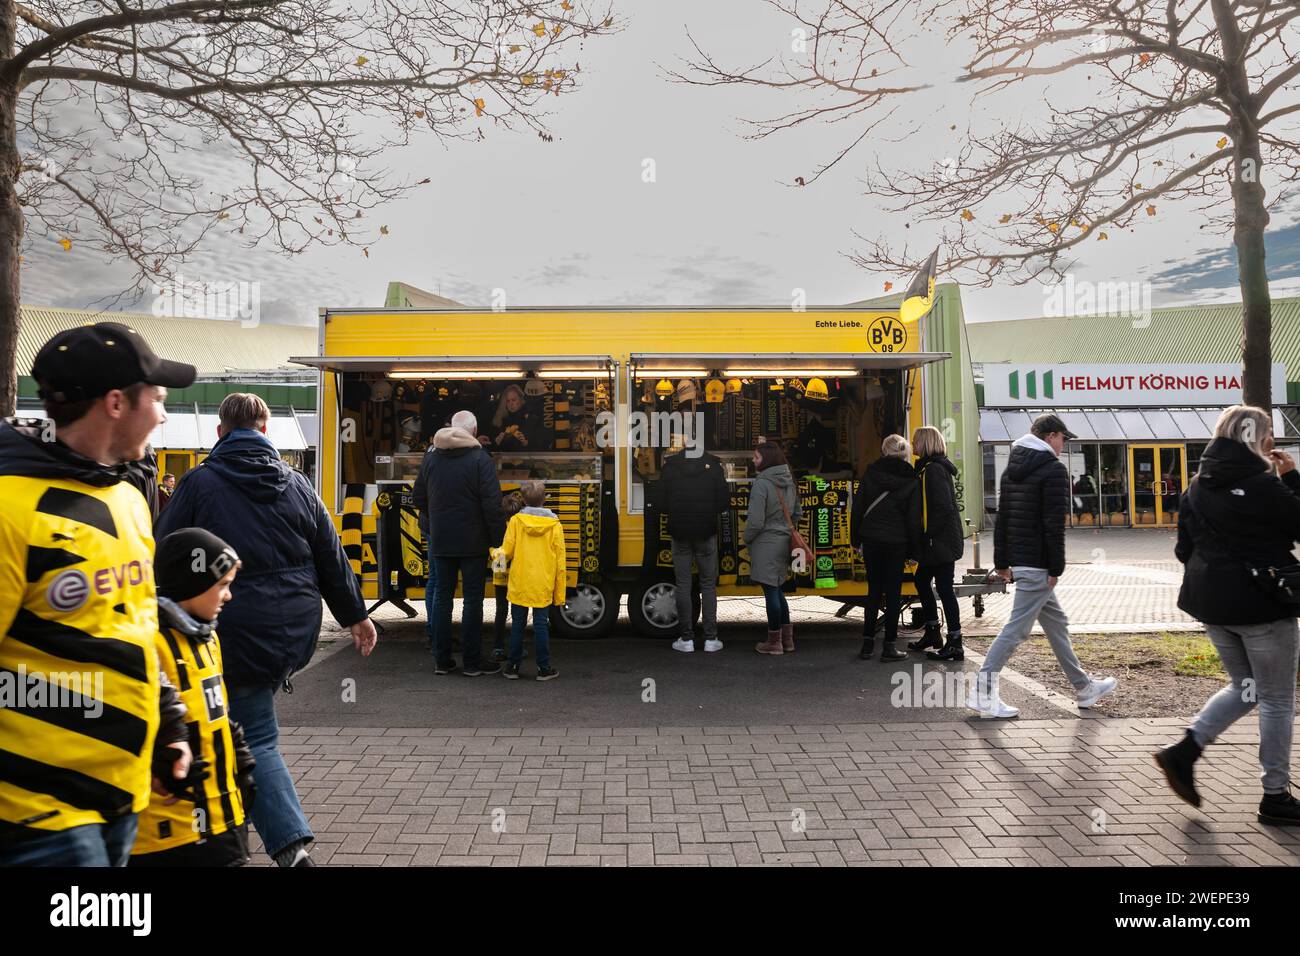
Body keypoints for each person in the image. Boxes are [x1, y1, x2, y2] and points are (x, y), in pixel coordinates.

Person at [0, 322, 197, 866]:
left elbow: (133, 627)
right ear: (116, 403)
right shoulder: (10, 509)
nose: (163, 414)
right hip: (38, 815)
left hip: (122, 797)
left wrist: (169, 725)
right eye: (156, 399)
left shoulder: (127, 498)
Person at [156, 392, 376, 867]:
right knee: (237, 730)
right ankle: (233, 825)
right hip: (292, 630)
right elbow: (330, 553)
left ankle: (287, 846)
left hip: (229, 627)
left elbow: (163, 550)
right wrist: (355, 614)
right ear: (264, 431)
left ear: (219, 432)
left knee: (249, 737)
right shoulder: (297, 484)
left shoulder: (198, 484)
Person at [1154, 406, 1300, 825]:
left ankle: (1185, 751)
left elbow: (1184, 549)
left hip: (1212, 605)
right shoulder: (1263, 486)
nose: (1272, 441)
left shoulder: (1197, 486)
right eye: (1269, 434)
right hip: (1262, 606)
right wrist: (1290, 478)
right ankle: (1275, 796)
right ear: (1258, 439)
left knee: (1247, 687)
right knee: (1275, 700)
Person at [972, 413, 1117, 718]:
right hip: (1038, 564)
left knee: (1056, 623)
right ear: (1050, 436)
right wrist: (1056, 568)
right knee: (1016, 630)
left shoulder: (1011, 469)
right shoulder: (1053, 471)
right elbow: (1054, 524)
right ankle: (982, 692)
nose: (1065, 445)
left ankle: (1084, 687)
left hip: (1022, 562)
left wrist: (1002, 562)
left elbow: (1003, 520)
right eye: (1064, 438)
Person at [131, 529, 257, 866]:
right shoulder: (152, 644)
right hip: (171, 832)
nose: (229, 596)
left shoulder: (207, 639)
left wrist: (241, 761)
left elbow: (218, 713)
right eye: (222, 585)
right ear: (191, 585)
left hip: (224, 816)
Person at [414, 409, 506, 677]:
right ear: (475, 431)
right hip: (473, 543)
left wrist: (438, 518)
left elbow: (418, 497)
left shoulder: (431, 458)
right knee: (473, 601)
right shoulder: (480, 459)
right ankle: (473, 663)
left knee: (443, 598)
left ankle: (442, 661)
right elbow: (492, 505)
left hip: (441, 540)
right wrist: (497, 539)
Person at [851, 434, 922, 662]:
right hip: (897, 542)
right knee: (893, 593)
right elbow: (913, 518)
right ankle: (890, 646)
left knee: (873, 591)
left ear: (884, 449)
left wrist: (855, 540)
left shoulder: (871, 473)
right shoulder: (912, 478)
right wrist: (913, 550)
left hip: (871, 538)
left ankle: (867, 645)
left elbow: (858, 507)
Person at [660, 436, 729, 653]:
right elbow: (723, 502)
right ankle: (710, 638)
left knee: (683, 584)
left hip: (679, 533)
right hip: (706, 531)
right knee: (708, 584)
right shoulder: (714, 466)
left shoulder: (670, 467)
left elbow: (661, 502)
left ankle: (686, 639)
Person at [492, 480, 564, 680]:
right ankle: (543, 667)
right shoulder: (554, 525)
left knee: (517, 625)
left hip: (520, 582)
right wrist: (559, 594)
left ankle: (512, 667)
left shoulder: (515, 522)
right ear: (545, 500)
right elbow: (560, 561)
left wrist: (492, 553)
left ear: (523, 500)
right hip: (543, 582)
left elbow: (505, 553)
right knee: (541, 625)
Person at [907, 426, 966, 660]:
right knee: (922, 580)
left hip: (939, 541)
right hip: (940, 540)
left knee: (944, 588)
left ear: (925, 443)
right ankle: (934, 632)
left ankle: (955, 641)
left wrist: (928, 535)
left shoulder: (933, 471)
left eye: (915, 441)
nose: (912, 445)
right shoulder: (931, 468)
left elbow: (942, 507)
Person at [747, 442, 802, 655]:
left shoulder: (762, 484)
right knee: (778, 590)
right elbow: (797, 513)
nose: (753, 460)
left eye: (757, 457)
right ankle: (787, 641)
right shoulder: (789, 480)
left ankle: (774, 642)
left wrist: (747, 538)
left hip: (765, 542)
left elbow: (755, 521)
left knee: (771, 591)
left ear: (766, 460)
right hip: (784, 540)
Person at [491, 491, 527, 662]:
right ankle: (517, 647)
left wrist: (491, 552)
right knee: (518, 612)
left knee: (501, 611)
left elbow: (498, 554)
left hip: (500, 574)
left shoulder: (498, 527)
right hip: (517, 574)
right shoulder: (521, 527)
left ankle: (498, 647)